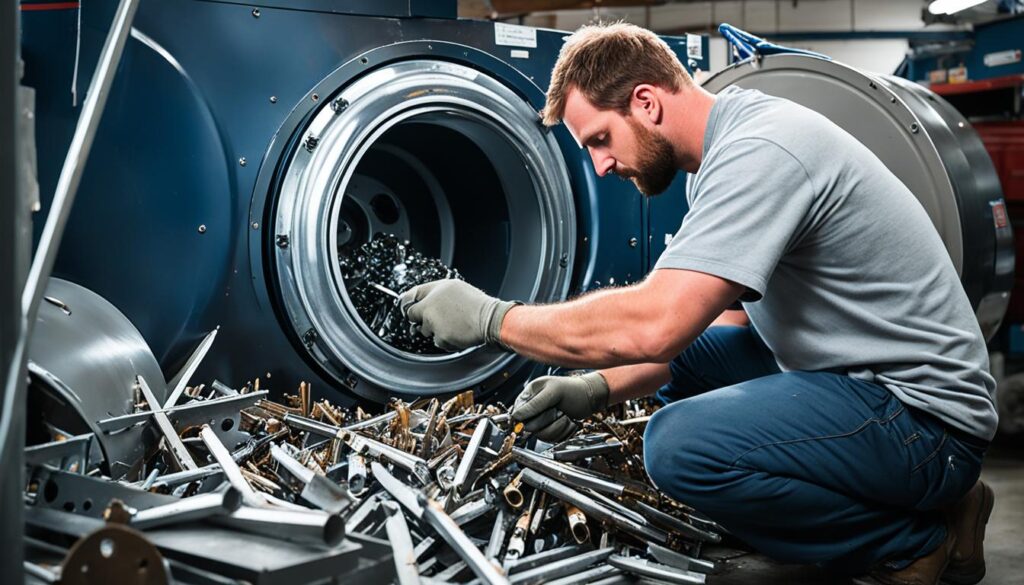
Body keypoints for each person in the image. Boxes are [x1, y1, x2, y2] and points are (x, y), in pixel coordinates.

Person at [398, 22, 995, 585]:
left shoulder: (763, 151)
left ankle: (909, 541)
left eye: (601, 140)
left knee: (678, 448)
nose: (602, 166)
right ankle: (945, 501)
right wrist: (595, 388)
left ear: (647, 102)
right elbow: (713, 327)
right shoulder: (720, 155)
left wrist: (491, 317)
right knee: (700, 355)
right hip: (864, 387)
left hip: (923, 419)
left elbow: (659, 321)